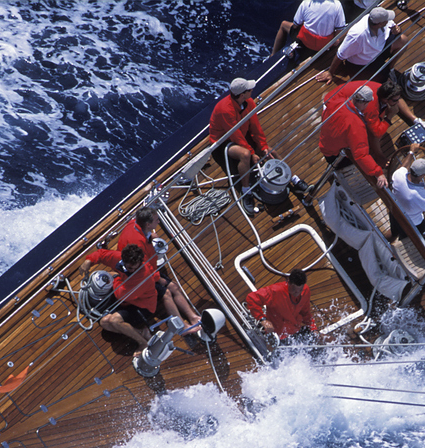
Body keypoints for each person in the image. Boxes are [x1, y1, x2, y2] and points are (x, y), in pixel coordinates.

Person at [107, 206, 201, 329]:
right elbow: (145, 268)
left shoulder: (134, 223)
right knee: (166, 293)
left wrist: (151, 236)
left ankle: (193, 317)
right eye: (156, 220)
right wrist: (160, 280)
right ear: (148, 224)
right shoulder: (139, 245)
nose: (158, 221)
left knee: (173, 286)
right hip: (137, 274)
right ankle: (183, 327)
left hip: (143, 267)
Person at [78, 245, 160, 353]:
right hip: (127, 301)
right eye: (130, 268)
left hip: (143, 307)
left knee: (114, 320)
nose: (133, 270)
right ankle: (142, 332)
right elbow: (101, 254)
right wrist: (88, 261)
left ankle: (143, 343)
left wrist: (115, 277)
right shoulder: (118, 258)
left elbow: (122, 295)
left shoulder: (143, 276)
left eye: (136, 267)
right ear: (123, 260)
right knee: (104, 323)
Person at [209, 77, 271, 210]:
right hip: (222, 143)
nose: (252, 90)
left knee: (270, 151)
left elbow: (255, 127)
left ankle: (293, 179)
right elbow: (235, 136)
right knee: (245, 154)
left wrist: (263, 146)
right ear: (242, 95)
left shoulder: (249, 102)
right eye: (249, 89)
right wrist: (253, 153)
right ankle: (245, 190)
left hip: (241, 135)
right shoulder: (225, 109)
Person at [319, 83, 389, 190]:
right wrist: (378, 173)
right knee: (346, 167)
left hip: (324, 143)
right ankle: (334, 180)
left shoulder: (337, 102)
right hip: (334, 153)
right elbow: (361, 155)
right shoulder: (356, 125)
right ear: (364, 103)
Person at [317, 7, 408, 84]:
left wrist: (398, 30)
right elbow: (340, 54)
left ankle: (390, 67)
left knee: (403, 40)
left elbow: (395, 27)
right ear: (380, 24)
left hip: (379, 48)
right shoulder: (357, 35)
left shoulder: (378, 20)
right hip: (365, 62)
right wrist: (330, 72)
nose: (389, 20)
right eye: (386, 20)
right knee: (383, 81)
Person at [245, 268, 317, 340]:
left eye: (300, 290)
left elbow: (305, 313)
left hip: (295, 331)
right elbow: (251, 298)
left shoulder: (306, 290)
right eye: (294, 290)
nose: (297, 293)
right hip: (277, 335)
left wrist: (313, 328)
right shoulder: (275, 291)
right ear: (288, 282)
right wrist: (263, 320)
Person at [271, 0, 347, 57]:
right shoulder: (337, 4)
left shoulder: (306, 2)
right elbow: (340, 29)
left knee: (284, 24)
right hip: (324, 46)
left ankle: (272, 55)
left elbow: (295, 26)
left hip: (305, 42)